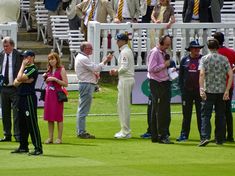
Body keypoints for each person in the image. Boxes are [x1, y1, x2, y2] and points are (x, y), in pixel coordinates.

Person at [198, 39, 233, 147]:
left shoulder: (204, 59)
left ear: (208, 47)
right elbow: (231, 75)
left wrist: (201, 88)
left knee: (205, 115)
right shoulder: (224, 59)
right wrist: (227, 90)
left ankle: (205, 137)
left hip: (209, 91)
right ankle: (220, 138)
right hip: (221, 91)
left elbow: (202, 74)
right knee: (220, 116)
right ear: (218, 47)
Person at [75, 41, 112, 139]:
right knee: (83, 109)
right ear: (85, 49)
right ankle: (81, 132)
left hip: (86, 84)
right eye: (90, 48)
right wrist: (105, 61)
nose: (91, 49)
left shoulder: (82, 58)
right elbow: (96, 68)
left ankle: (80, 131)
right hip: (86, 84)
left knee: (82, 108)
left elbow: (93, 69)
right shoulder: (83, 58)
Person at [11, 50, 43, 155]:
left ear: (31, 57)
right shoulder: (25, 69)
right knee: (22, 123)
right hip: (21, 97)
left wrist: (21, 75)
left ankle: (38, 147)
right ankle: (23, 146)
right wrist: (22, 79)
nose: (24, 59)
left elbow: (19, 78)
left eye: (25, 57)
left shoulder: (32, 68)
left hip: (28, 97)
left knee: (31, 123)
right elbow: (15, 83)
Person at [147, 34, 173, 144]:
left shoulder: (163, 53)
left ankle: (159, 135)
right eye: (166, 44)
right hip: (157, 83)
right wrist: (164, 65)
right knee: (160, 110)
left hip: (164, 81)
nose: (168, 46)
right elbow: (151, 69)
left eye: (169, 44)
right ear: (161, 42)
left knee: (162, 110)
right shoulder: (155, 52)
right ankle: (160, 135)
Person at [176, 40, 204, 142]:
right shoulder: (184, 60)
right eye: (195, 48)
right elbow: (181, 76)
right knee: (186, 114)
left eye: (198, 48)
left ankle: (203, 135)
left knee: (201, 114)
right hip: (187, 92)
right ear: (190, 49)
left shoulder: (203, 60)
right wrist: (182, 90)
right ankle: (184, 135)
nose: (197, 50)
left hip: (199, 91)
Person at [109, 33, 135, 139]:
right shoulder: (125, 51)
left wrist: (116, 71)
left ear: (124, 41)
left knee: (124, 106)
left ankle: (125, 131)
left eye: (118, 40)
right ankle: (124, 130)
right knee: (121, 105)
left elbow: (124, 67)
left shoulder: (125, 52)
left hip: (126, 79)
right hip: (125, 79)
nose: (117, 42)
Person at [213, 32, 235, 142]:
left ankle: (219, 135)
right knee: (227, 111)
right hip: (229, 84)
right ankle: (230, 135)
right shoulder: (231, 52)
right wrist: (231, 71)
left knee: (219, 111)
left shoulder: (215, 53)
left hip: (218, 86)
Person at [0, 37, 23, 142]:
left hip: (15, 88)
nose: (5, 48)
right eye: (4, 46)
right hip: (3, 88)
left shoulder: (19, 55)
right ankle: (7, 134)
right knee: (5, 112)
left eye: (7, 46)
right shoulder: (1, 55)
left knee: (16, 113)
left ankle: (17, 135)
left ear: (12, 46)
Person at [43, 52, 68, 144]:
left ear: (57, 59)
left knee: (58, 117)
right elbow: (48, 83)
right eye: (49, 59)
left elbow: (66, 83)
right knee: (49, 117)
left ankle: (59, 138)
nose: (51, 61)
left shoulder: (61, 69)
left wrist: (55, 79)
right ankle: (50, 137)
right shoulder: (48, 70)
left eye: (53, 59)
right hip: (49, 95)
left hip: (57, 96)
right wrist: (46, 78)